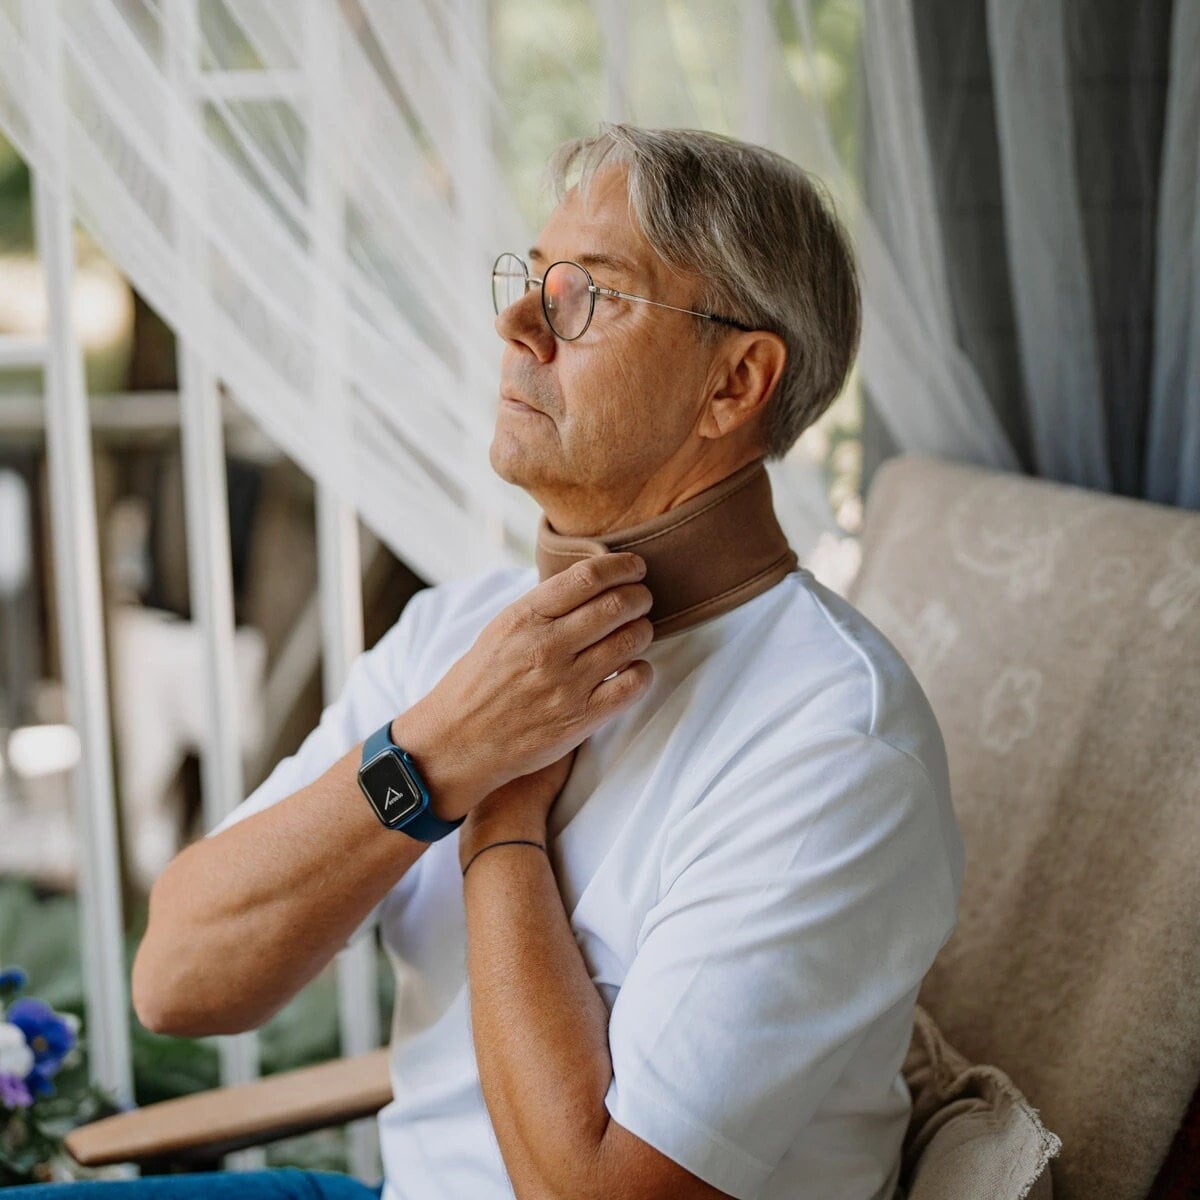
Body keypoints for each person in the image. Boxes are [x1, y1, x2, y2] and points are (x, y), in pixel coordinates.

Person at [22, 123, 962, 1200]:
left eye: (591, 295)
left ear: (735, 383)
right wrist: (430, 755)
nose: (518, 323)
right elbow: (177, 978)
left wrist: (500, 803)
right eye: (533, 277)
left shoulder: (831, 744)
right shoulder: (459, 639)